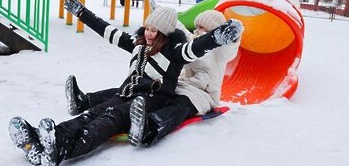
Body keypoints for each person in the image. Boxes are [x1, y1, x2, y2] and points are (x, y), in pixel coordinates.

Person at [8, 0, 241, 166]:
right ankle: (44, 140)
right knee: (90, 115)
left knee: (108, 121)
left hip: (152, 99)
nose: (150, 33)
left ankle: (61, 151)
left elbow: (196, 47)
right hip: (127, 94)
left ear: (165, 34)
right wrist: (82, 13)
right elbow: (109, 31)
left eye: (155, 30)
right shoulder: (139, 45)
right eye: (148, 28)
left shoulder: (174, 52)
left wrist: (217, 37)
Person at [65, 9, 243, 146]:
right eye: (197, 27)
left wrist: (232, 37)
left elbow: (230, 49)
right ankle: (85, 100)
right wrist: (161, 14)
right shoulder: (192, 41)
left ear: (213, 31)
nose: (198, 30)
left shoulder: (219, 50)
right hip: (180, 85)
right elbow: (176, 29)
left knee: (179, 106)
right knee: (134, 89)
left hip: (201, 94)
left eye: (203, 28)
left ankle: (150, 126)